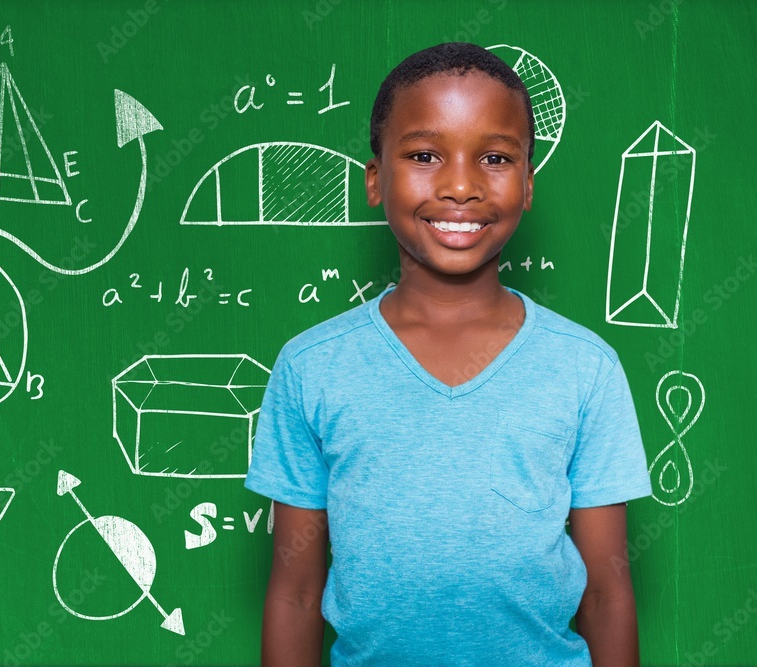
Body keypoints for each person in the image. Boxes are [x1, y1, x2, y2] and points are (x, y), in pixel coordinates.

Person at [244, 42, 652, 666]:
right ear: (375, 180)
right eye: (425, 155)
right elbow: (295, 593)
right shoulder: (311, 368)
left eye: (493, 157)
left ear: (527, 184)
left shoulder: (585, 368)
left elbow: (606, 593)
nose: (460, 185)